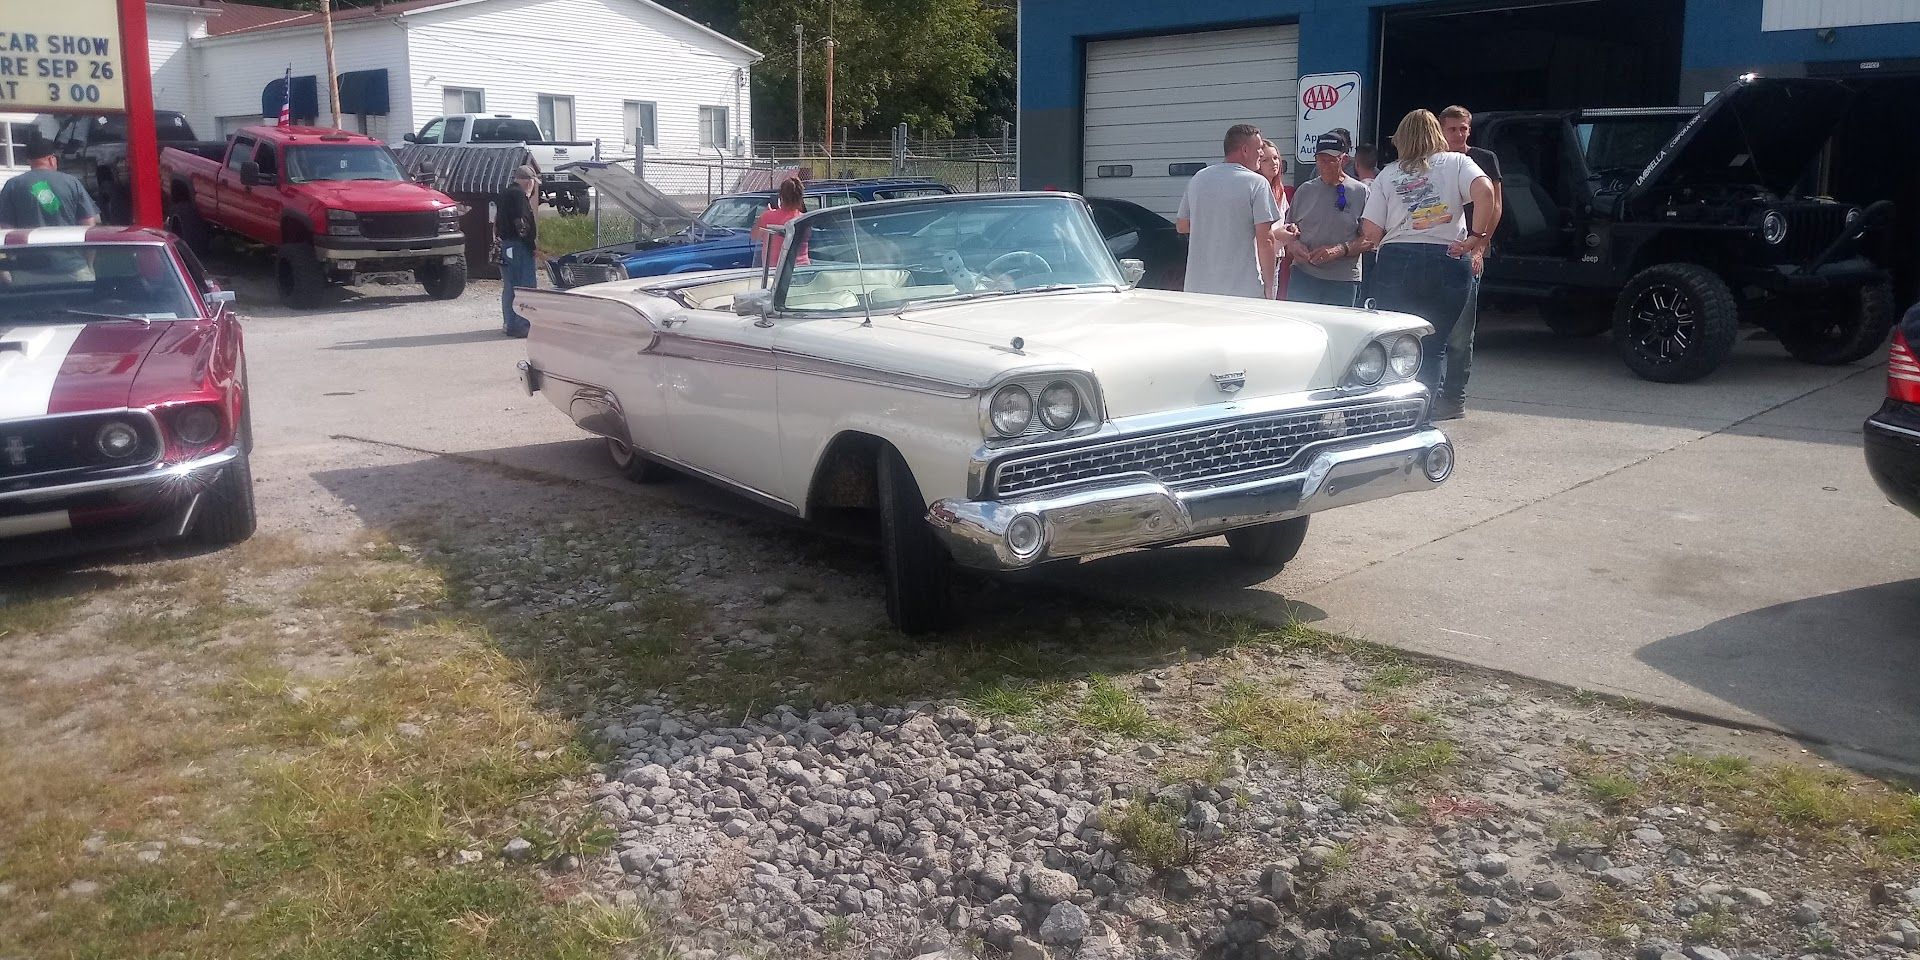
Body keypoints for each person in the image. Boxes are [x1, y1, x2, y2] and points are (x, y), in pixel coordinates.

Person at [1352, 109, 1493, 420]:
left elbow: (1372, 232)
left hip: (1398, 260)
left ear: (1402, 138)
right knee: (1434, 345)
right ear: (1437, 135)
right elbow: (1485, 191)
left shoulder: (1389, 173)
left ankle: (1392, 415)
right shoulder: (1458, 163)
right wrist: (1476, 238)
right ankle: (1423, 418)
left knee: (1397, 341)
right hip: (1448, 258)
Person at [1438, 105, 1505, 419]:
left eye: (1463, 129)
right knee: (1432, 327)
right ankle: (1430, 395)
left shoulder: (1484, 159)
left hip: (1469, 252)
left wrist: (1478, 246)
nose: (1459, 134)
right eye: (1452, 129)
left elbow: (1496, 206)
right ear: (1441, 129)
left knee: (1461, 333)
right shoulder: (1432, 160)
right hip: (1436, 250)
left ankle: (1454, 398)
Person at [1175, 124, 1280, 299]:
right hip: (1241, 292)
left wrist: (1216, 222)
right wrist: (1269, 288)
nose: (1261, 154)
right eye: (1260, 148)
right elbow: (1266, 239)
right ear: (1245, 150)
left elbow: (1182, 225)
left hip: (1198, 290)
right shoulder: (1257, 183)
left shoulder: (1199, 178)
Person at [1284, 133, 1370, 308]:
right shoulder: (1305, 190)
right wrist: (1293, 246)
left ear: (1344, 160)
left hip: (1342, 281)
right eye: (1320, 159)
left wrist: (1339, 250)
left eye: (1331, 160)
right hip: (1304, 276)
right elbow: (1288, 231)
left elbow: (1370, 238)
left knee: (1338, 333)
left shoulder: (1361, 192)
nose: (1324, 165)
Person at [0, 135, 100, 229]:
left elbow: (5, 225)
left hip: (29, 246)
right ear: (51, 159)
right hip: (66, 245)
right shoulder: (72, 182)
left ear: (29, 161)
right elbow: (88, 222)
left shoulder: (13, 185)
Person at [496, 165, 540, 338]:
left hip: (506, 245)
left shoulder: (504, 193)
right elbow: (522, 223)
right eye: (532, 182)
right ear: (528, 181)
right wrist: (531, 245)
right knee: (525, 286)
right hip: (518, 245)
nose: (533, 186)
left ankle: (509, 322)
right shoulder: (518, 196)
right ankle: (521, 324)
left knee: (510, 286)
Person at [1255, 139, 1299, 299]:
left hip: (1277, 257)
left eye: (1275, 158)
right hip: (1258, 261)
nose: (1273, 163)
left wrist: (1289, 228)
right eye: (1265, 160)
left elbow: (1280, 222)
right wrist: (1278, 234)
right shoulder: (1255, 189)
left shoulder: (1279, 190)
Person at [750, 178, 809, 268]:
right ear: (801, 197)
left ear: (781, 196)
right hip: (802, 269)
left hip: (776, 272)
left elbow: (754, 236)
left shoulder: (768, 217)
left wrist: (764, 216)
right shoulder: (804, 219)